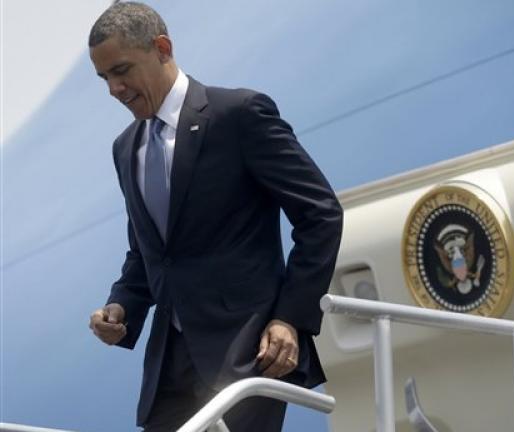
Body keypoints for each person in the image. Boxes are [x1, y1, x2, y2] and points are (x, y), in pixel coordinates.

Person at [87, 2, 343, 431]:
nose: (114, 88)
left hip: (248, 350)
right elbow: (147, 254)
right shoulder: (124, 148)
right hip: (170, 363)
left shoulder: (238, 115)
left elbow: (320, 214)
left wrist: (290, 319)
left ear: (163, 48)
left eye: (122, 70)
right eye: (105, 78)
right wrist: (121, 307)